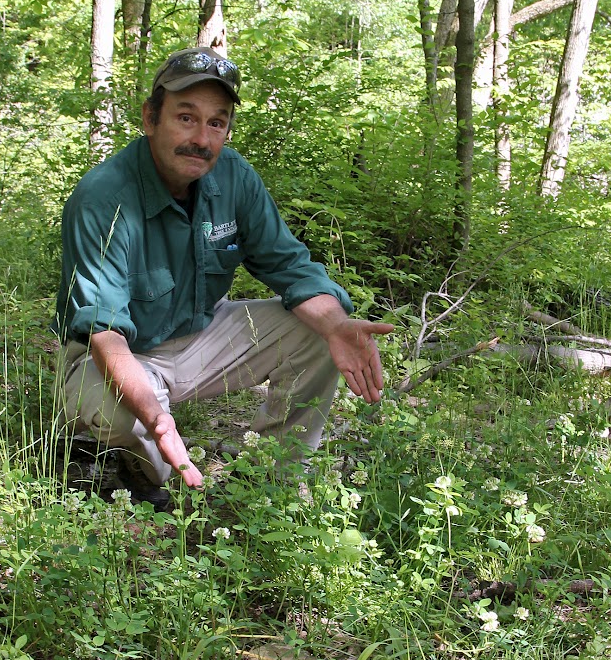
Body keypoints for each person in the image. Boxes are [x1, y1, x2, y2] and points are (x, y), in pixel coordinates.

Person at [54, 45, 392, 504]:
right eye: (186, 117)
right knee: (118, 415)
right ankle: (136, 466)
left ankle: (271, 482)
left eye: (217, 122)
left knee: (317, 329)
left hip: (199, 336)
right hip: (115, 355)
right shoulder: (103, 197)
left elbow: (289, 265)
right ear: (150, 118)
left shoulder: (232, 177)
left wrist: (335, 324)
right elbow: (105, 335)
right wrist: (156, 419)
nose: (202, 138)